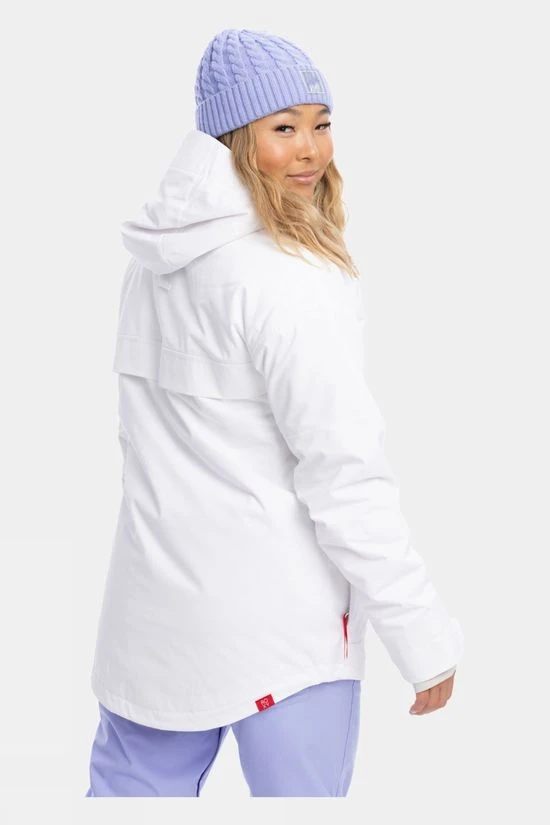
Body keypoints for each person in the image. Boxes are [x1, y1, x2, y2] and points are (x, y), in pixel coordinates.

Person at [84, 27, 464, 798]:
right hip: (283, 636)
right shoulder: (288, 280)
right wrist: (420, 633)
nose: (310, 149)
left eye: (321, 123)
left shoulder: (152, 263)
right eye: (282, 128)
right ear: (233, 138)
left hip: (152, 622)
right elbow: (344, 475)